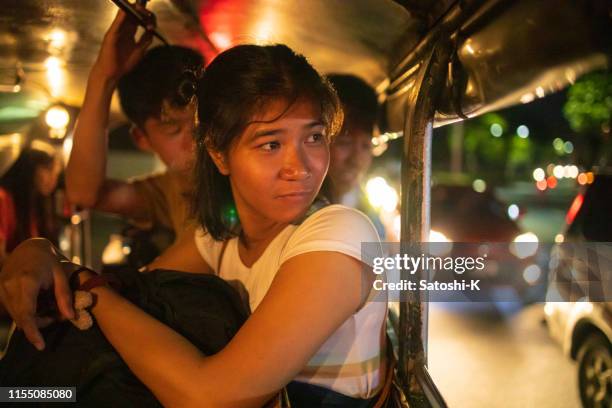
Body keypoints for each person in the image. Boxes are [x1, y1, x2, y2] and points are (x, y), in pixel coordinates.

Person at [0, 43, 387, 407]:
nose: (300, 167)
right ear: (219, 154)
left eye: (315, 137)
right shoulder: (219, 237)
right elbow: (136, 297)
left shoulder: (339, 233)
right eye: (271, 144)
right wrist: (40, 252)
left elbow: (210, 398)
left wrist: (86, 282)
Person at [66, 7, 204, 242]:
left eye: (202, 122)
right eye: (174, 130)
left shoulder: (247, 163)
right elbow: (84, 194)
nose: (195, 139)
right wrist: (103, 77)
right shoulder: (166, 191)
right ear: (142, 138)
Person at [325, 74, 386, 239]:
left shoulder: (367, 210)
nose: (356, 160)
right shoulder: (301, 215)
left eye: (366, 146)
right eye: (344, 143)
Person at [0, 144, 61, 263]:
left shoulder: (33, 205)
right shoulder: (3, 199)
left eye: (57, 174)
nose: (54, 179)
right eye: (49, 169)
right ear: (30, 169)